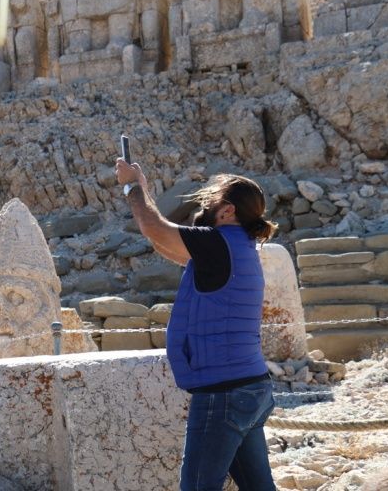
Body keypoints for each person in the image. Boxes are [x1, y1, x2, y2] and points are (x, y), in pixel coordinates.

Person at [115, 158, 278, 491]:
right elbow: (163, 243)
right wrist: (144, 198)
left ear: (228, 211)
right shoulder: (236, 247)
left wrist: (133, 187)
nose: (205, 206)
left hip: (224, 392)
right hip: (249, 386)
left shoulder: (218, 243)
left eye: (211, 201)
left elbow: (155, 229)